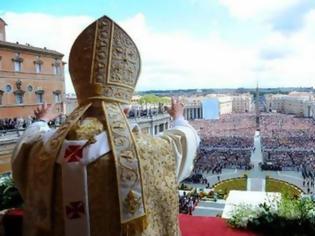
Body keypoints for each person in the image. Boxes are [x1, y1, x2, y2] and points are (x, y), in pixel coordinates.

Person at [11, 15, 199, 236]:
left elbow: (26, 144)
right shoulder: (146, 151)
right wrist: (178, 117)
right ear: (125, 110)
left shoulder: (43, 150)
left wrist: (42, 121)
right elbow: (183, 141)